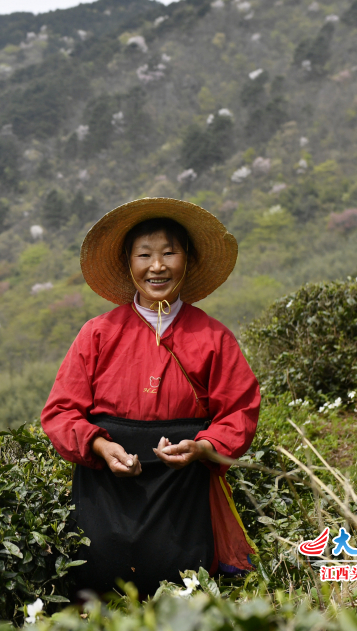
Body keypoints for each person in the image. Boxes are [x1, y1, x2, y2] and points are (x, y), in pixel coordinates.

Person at [40, 197, 259, 596]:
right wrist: (102, 447)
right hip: (105, 488)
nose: (156, 266)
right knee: (96, 591)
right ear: (129, 262)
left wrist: (203, 446)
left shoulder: (213, 338)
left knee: (184, 592)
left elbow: (240, 412)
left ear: (187, 259)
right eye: (144, 254)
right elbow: (60, 413)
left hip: (183, 491)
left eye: (169, 253)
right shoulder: (98, 334)